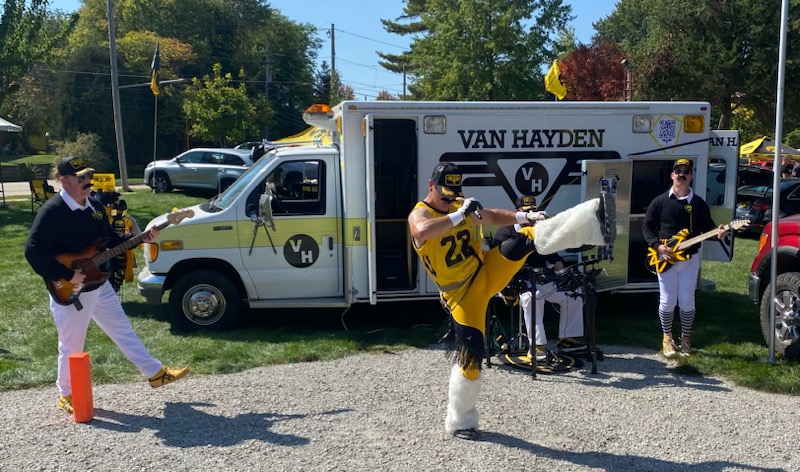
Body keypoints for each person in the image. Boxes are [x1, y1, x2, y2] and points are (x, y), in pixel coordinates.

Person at [408, 162, 616, 440]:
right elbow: (421, 231)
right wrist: (459, 215)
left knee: (527, 236)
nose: (449, 200)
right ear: (431, 187)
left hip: (485, 270)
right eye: (444, 195)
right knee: (472, 359)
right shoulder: (421, 213)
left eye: (454, 194)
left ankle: (593, 223)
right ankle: (461, 420)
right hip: (461, 293)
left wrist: (523, 215)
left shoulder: (460, 203)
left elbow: (491, 216)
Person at [24, 156, 189, 414]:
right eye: (81, 179)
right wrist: (66, 275)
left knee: (123, 329)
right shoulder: (52, 211)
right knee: (71, 345)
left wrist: (141, 238)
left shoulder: (96, 207)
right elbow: (33, 251)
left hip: (99, 283)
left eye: (89, 177)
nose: (88, 183)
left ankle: (155, 373)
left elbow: (110, 242)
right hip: (71, 290)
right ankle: (66, 394)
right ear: (64, 180)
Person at [642, 158, 728, 358]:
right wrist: (658, 246)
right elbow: (647, 226)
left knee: (687, 301)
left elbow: (708, 229)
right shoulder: (660, 201)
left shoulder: (698, 204)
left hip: (690, 259)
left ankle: (686, 339)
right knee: (667, 301)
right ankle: (667, 337)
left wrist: (719, 233)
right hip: (664, 258)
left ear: (691, 176)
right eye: (678, 171)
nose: (681, 174)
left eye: (686, 171)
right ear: (672, 175)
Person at [494, 195, 586, 362]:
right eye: (527, 212)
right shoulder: (505, 232)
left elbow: (553, 255)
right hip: (516, 282)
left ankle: (567, 339)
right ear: (517, 213)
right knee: (533, 298)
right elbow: (497, 263)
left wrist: (559, 263)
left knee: (574, 293)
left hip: (542, 279)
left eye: (533, 212)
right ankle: (536, 345)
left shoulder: (540, 229)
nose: (531, 216)